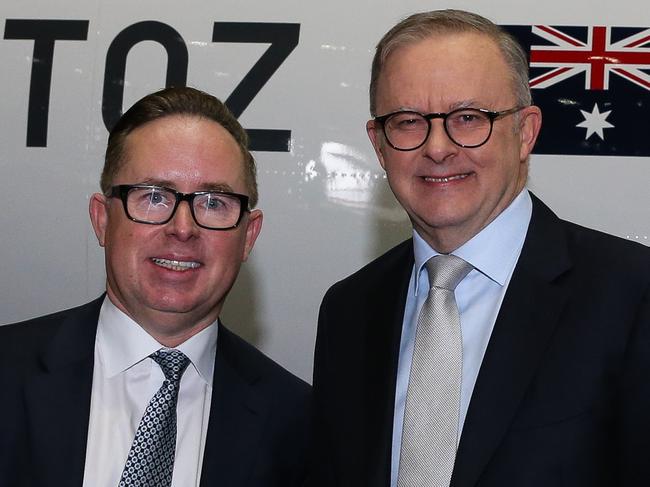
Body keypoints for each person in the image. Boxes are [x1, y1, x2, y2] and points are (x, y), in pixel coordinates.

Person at [312, 9, 650, 487]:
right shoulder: (349, 310)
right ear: (379, 144)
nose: (437, 147)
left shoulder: (632, 294)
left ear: (526, 131)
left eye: (469, 118)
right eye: (408, 122)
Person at [0, 86, 310, 487]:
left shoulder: (300, 424)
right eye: (153, 197)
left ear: (248, 235)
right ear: (102, 220)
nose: (183, 228)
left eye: (213, 203)